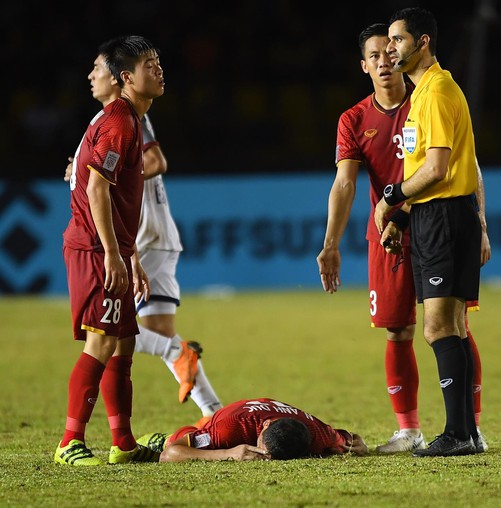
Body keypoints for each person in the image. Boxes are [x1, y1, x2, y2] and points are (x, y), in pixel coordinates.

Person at [317, 23, 490, 454]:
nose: (385, 59)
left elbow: (464, 163)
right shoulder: (354, 119)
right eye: (374, 54)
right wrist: (331, 242)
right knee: (399, 330)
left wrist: (481, 223)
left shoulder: (427, 96)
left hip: (433, 220)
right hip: (389, 236)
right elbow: (344, 185)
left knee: (454, 326)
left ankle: (470, 428)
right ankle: (409, 429)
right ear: (364, 66)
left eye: (390, 49)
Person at [65, 45, 223, 426]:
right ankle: (212, 412)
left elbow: (152, 163)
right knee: (140, 334)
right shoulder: (111, 119)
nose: (91, 77)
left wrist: (121, 247)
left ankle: (78, 437)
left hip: (140, 236)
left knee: (116, 336)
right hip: (134, 238)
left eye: (96, 69)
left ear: (120, 78)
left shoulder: (127, 118)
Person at [374, 8, 483, 457]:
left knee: (438, 326)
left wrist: (392, 195)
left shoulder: (435, 91)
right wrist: (403, 218)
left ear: (422, 42)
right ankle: (465, 434)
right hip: (438, 216)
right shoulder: (424, 94)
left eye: (397, 40)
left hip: (443, 218)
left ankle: (458, 433)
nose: (390, 49)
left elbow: (437, 169)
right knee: (450, 325)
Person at [55, 35, 164, 466]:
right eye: (148, 65)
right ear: (126, 78)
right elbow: (98, 189)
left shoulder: (127, 119)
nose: (158, 70)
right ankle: (69, 442)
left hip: (110, 246)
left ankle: (122, 442)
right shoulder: (120, 121)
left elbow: (116, 200)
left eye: (158, 62)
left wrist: (130, 254)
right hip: (93, 247)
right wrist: (112, 255)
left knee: (122, 344)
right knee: (102, 342)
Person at [136, 397, 368, 462]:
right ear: (265, 427)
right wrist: (228, 453)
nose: (263, 456)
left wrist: (358, 443)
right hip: (231, 417)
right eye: (263, 449)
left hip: (266, 413)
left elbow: (350, 439)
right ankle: (164, 436)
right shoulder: (229, 429)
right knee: (178, 439)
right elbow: (170, 455)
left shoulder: (321, 435)